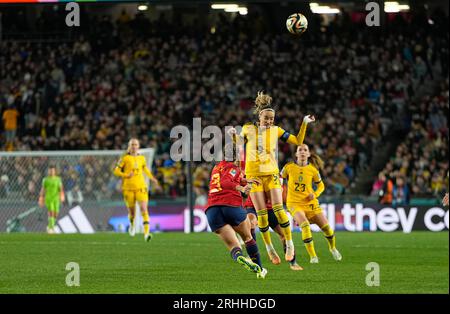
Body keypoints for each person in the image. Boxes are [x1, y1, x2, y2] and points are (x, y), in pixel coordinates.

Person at [228, 91, 315, 264]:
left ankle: (289, 243)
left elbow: (298, 141)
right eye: (266, 118)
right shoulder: (247, 129)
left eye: (272, 118)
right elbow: (237, 145)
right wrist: (232, 135)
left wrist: (304, 123)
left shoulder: (277, 130)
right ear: (260, 116)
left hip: (272, 173)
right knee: (262, 215)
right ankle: (270, 249)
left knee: (278, 208)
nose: (269, 121)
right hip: (253, 175)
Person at [205, 143, 267, 279]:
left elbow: (229, 178)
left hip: (212, 211)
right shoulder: (233, 167)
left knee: (234, 245)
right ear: (236, 155)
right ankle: (260, 269)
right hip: (230, 206)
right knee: (248, 237)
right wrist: (241, 188)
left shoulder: (217, 167)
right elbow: (226, 182)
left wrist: (246, 180)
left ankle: (240, 257)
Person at [281, 144, 342, 263]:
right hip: (294, 203)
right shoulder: (288, 167)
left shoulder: (313, 170)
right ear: (296, 154)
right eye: (300, 150)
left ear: (308, 154)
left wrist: (315, 194)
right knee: (305, 226)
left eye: (305, 150)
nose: (302, 152)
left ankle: (332, 248)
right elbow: (279, 179)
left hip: (310, 203)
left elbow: (321, 186)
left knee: (327, 229)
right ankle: (313, 257)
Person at [113, 138, 161, 241]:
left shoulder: (142, 158)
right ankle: (131, 225)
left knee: (144, 209)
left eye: (136, 144)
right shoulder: (124, 158)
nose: (134, 146)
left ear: (138, 147)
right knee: (132, 213)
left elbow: (145, 170)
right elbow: (116, 171)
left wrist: (152, 179)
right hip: (128, 189)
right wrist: (126, 175)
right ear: (129, 147)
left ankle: (146, 233)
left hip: (141, 187)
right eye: (132, 145)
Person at [244, 194, 303, 270]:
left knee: (284, 235)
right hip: (253, 207)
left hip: (271, 208)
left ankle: (293, 262)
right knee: (251, 223)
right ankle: (251, 256)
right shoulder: (251, 181)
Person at [38, 165, 65, 234]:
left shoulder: (58, 179)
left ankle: (49, 226)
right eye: (50, 170)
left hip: (56, 199)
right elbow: (43, 189)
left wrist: (62, 195)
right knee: (51, 212)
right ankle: (51, 228)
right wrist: (41, 198)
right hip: (48, 198)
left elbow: (60, 189)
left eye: (53, 170)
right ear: (48, 171)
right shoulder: (45, 179)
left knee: (55, 214)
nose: (51, 172)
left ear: (55, 171)